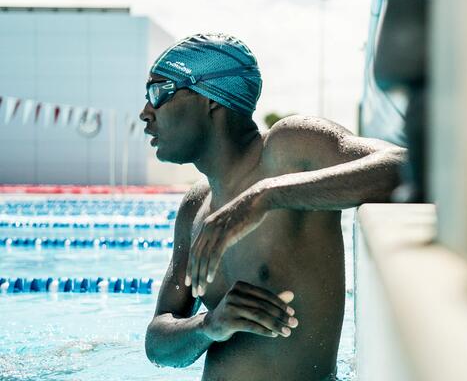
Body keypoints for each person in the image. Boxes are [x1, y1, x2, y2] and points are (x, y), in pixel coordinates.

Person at [141, 33, 406, 381]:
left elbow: (403, 166)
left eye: (158, 93)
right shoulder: (195, 206)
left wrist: (266, 196)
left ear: (210, 99)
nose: (146, 112)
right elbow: (158, 343)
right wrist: (208, 325)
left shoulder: (288, 151)